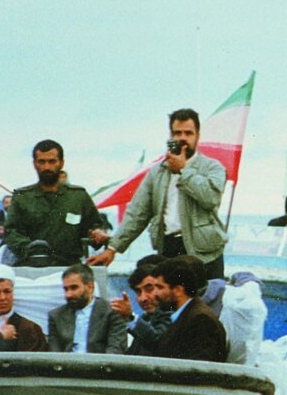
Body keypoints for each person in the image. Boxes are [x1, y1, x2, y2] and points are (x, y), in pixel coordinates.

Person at [89, 109, 228, 279]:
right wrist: (112, 249)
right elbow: (137, 213)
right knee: (169, 304)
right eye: (178, 133)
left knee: (208, 302)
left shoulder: (213, 167)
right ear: (170, 136)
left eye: (188, 133)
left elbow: (210, 198)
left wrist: (183, 170)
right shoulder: (157, 173)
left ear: (197, 136)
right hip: (169, 248)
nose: (183, 138)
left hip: (205, 253)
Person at [3, 140, 108, 266]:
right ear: (35, 164)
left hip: (70, 269)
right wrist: (30, 249)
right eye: (42, 161)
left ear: (61, 163)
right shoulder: (22, 197)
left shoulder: (78, 196)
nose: (47, 167)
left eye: (52, 161)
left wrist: (97, 234)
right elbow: (11, 232)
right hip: (31, 267)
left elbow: (94, 227)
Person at [153, 257, 228, 362]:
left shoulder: (201, 321)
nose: (154, 294)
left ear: (178, 290)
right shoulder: (186, 315)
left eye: (160, 287)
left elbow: (199, 368)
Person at [47, 264, 127, 354]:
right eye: (66, 289)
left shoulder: (111, 312)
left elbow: (115, 351)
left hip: (100, 365)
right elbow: (55, 354)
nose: (68, 294)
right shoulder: (56, 316)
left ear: (90, 287)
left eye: (74, 288)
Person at [110, 261, 173, 356]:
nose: (143, 298)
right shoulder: (145, 318)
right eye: (138, 292)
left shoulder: (173, 314)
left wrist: (131, 316)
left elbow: (157, 342)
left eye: (149, 289)